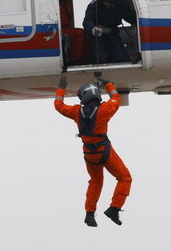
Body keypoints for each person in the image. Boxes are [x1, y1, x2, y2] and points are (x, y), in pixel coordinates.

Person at [54, 75, 132, 227]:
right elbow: (116, 98)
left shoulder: (76, 112)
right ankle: (114, 209)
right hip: (104, 151)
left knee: (95, 181)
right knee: (125, 178)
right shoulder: (105, 109)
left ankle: (89, 214)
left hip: (89, 154)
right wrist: (108, 84)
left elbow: (59, 105)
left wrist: (61, 87)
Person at [83, 0, 136, 64]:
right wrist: (94, 29)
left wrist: (137, 21)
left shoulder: (122, 3)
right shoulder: (93, 5)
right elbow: (87, 21)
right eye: (106, 0)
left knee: (123, 59)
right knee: (100, 58)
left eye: (111, 1)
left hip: (112, 33)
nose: (108, 3)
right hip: (97, 36)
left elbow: (130, 17)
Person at [58, 0, 89, 64]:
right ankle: (75, 61)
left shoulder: (68, 4)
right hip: (60, 29)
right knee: (80, 33)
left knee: (85, 33)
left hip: (67, 28)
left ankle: (84, 60)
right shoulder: (55, 2)